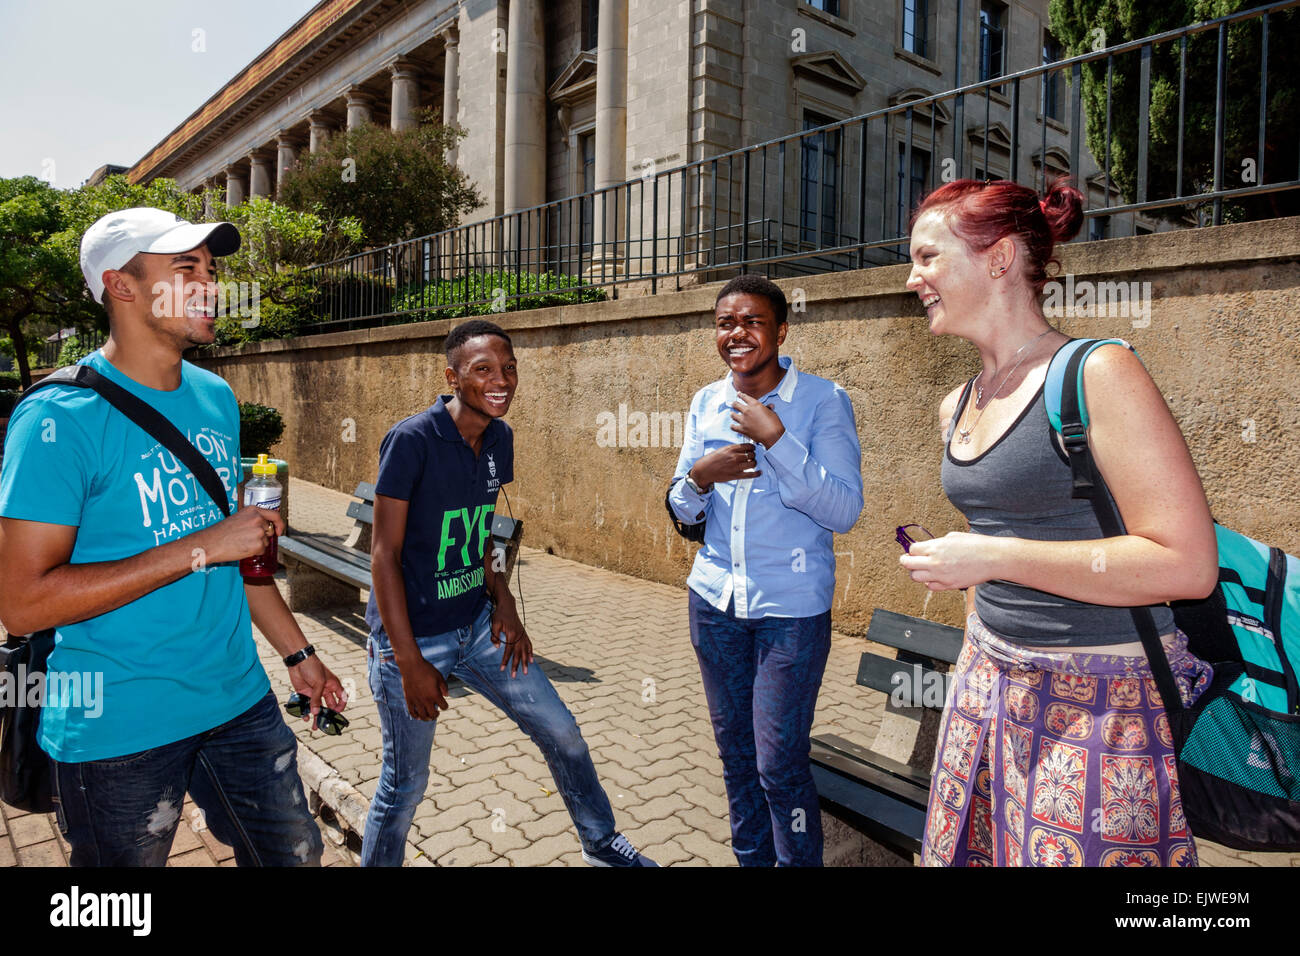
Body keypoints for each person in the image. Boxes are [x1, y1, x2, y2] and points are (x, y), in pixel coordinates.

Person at [0, 207, 347, 866]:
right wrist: (204, 545)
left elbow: (238, 561)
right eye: (186, 269)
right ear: (121, 285)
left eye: (212, 270)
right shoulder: (56, 419)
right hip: (117, 727)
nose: (212, 286)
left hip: (238, 701)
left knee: (296, 856)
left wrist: (299, 655)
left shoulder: (216, 397)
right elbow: (21, 603)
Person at [900, 180, 1218, 867]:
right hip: (987, 687)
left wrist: (992, 555)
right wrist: (975, 589)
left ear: (1000, 258)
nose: (912, 276)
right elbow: (997, 553)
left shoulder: (1099, 372)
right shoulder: (957, 401)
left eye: (928, 257)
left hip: (1102, 705)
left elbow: (1186, 564)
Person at [361, 319, 656, 867]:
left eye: (509, 368)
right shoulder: (412, 441)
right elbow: (384, 556)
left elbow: (487, 530)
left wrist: (506, 602)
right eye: (483, 371)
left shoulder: (499, 437)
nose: (501, 381)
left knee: (564, 734)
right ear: (452, 377)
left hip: (478, 628)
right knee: (404, 788)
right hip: (412, 639)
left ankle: (601, 845)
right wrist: (407, 661)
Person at [668, 274, 864, 866]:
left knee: (778, 763)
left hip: (791, 613)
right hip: (715, 603)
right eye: (726, 322)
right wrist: (702, 475)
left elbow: (844, 509)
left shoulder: (824, 401)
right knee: (735, 755)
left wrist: (777, 440)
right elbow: (681, 505)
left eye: (752, 321)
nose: (737, 333)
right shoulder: (705, 401)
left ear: (781, 329)